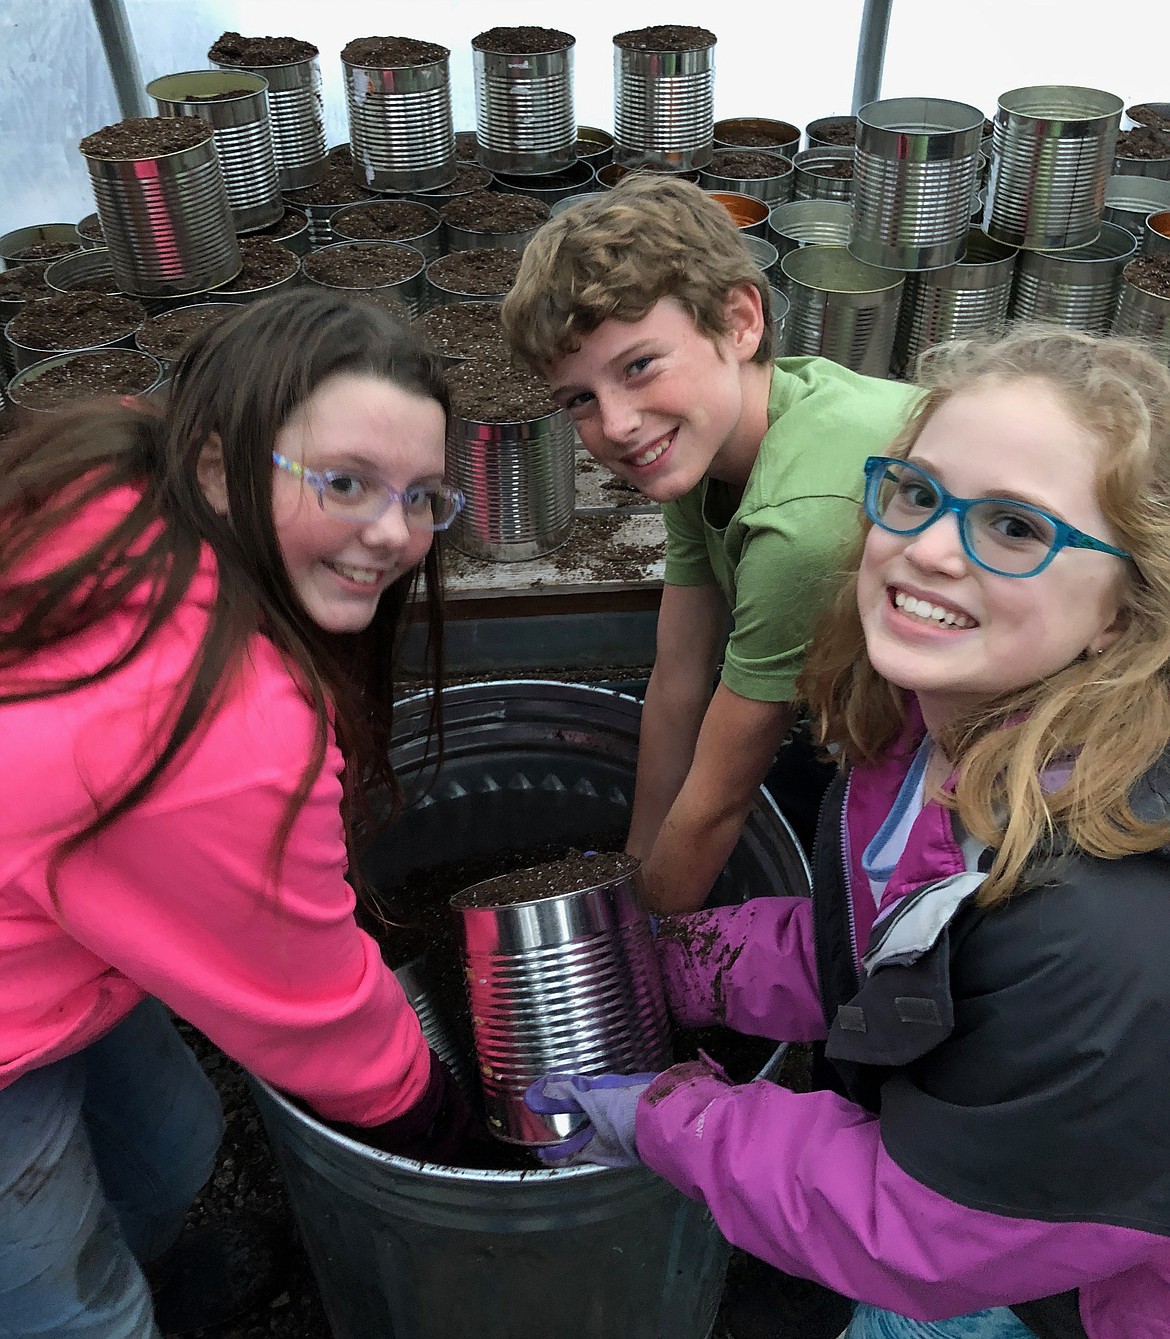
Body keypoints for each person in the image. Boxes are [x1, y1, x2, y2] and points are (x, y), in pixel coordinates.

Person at [526, 327, 1170, 1338]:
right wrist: (692, 966)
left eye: (1013, 527)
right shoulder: (931, 732)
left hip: (1094, 1290)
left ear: (1120, 616)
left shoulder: (1098, 921)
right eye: (916, 492)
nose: (929, 546)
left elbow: (916, 1226)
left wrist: (666, 1119)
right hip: (1015, 1198)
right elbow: (890, 953)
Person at [0, 291, 475, 1338]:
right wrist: (445, 1120)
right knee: (81, 1315)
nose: (394, 533)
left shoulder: (115, 469)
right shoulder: (223, 730)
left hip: (41, 914)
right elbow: (315, 1007)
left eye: (425, 496)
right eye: (345, 483)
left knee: (171, 1143)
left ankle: (136, 1253)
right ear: (217, 466)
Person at [501, 175, 919, 913]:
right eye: (580, 400)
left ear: (739, 321)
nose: (619, 424)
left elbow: (722, 799)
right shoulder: (709, 442)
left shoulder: (801, 522)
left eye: (638, 366)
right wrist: (631, 868)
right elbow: (679, 675)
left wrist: (640, 943)